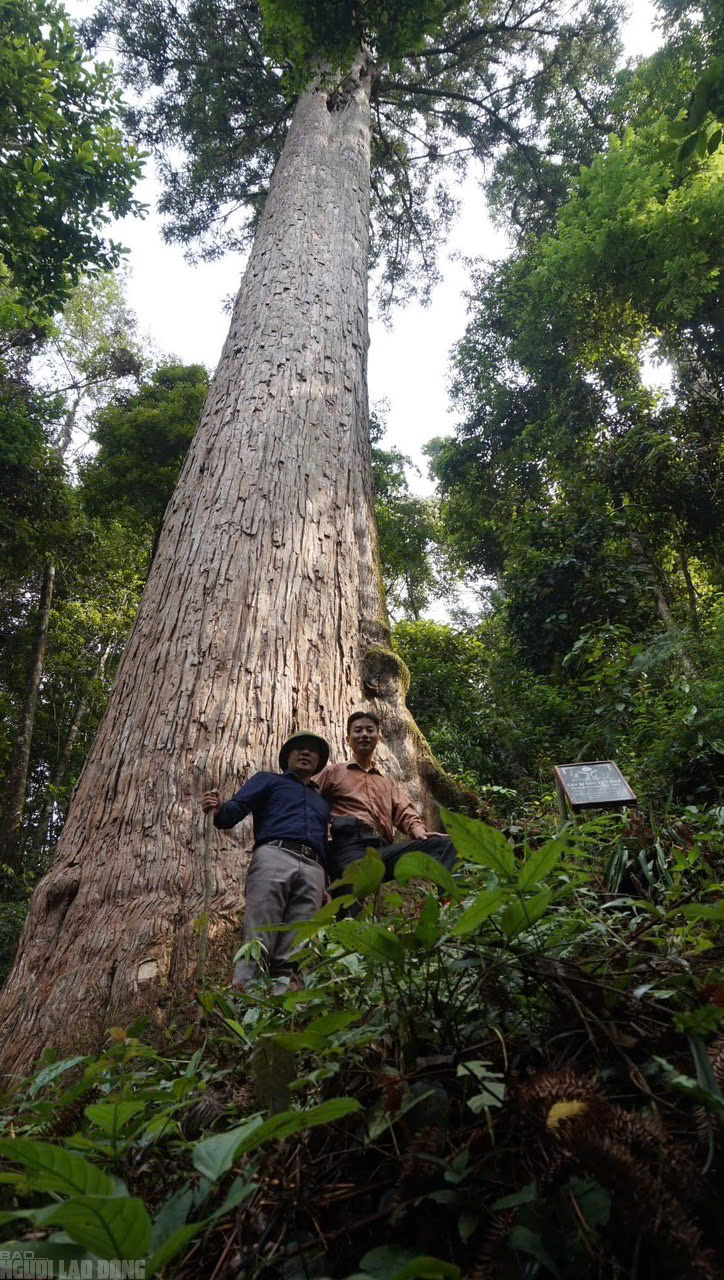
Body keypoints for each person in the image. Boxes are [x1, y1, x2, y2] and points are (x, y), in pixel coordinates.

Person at [201, 731, 331, 988]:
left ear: (318, 762)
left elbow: (323, 841)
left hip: (314, 868)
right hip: (274, 855)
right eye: (299, 748)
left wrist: (326, 881)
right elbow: (234, 811)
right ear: (287, 757)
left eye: (312, 750)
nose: (305, 753)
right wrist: (218, 808)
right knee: (260, 935)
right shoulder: (268, 780)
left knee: (298, 943)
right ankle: (247, 1003)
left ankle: (281, 1010)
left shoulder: (321, 802)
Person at [315, 710, 457, 895]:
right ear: (347, 739)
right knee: (350, 899)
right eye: (358, 731)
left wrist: (419, 832)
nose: (364, 734)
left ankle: (452, 905)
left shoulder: (386, 782)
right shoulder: (333, 772)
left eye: (370, 730)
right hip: (348, 845)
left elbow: (405, 811)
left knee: (444, 846)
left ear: (378, 737)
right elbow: (308, 798)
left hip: (382, 849)